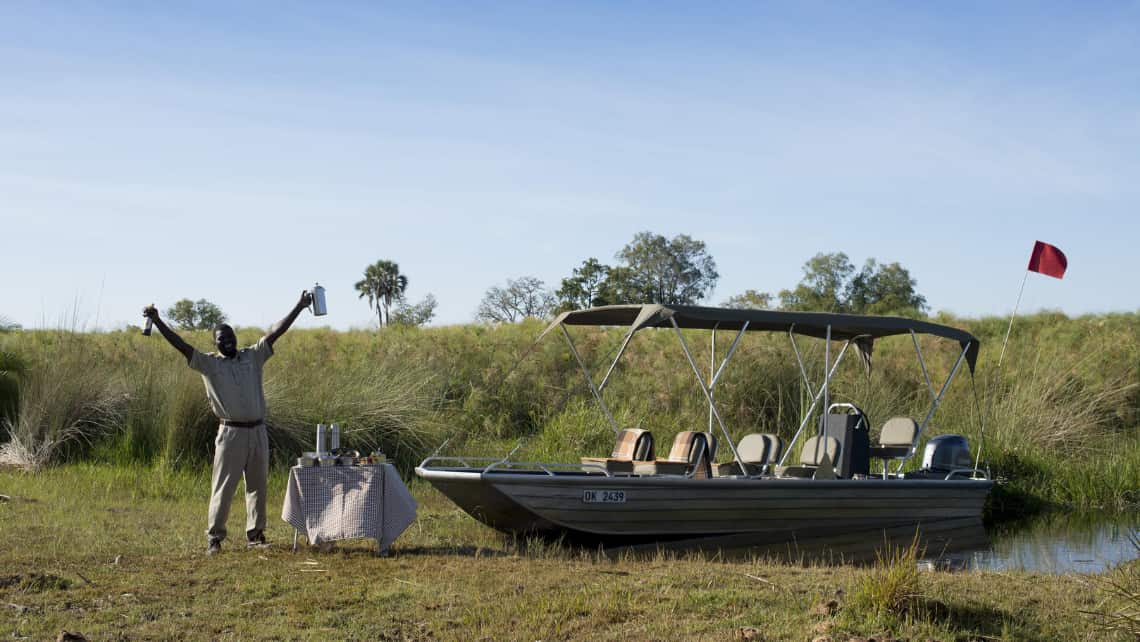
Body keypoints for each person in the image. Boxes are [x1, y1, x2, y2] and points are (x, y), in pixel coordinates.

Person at [143, 291, 313, 555]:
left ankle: (256, 535)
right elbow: (181, 345)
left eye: (231, 337)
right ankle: (215, 539)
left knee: (258, 486)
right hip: (230, 434)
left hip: (257, 431)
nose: (228, 342)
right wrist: (158, 321)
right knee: (223, 488)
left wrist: (300, 306)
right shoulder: (209, 364)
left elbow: (276, 332)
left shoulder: (252, 356)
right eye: (222, 340)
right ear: (216, 343)